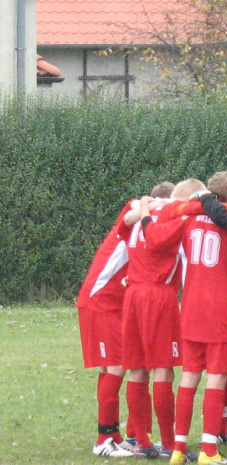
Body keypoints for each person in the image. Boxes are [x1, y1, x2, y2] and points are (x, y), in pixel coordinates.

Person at [141, 172, 227, 465]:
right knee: (216, 379)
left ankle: (179, 448)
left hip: (191, 308)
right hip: (221, 311)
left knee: (189, 378)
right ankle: (209, 451)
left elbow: (154, 240)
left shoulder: (187, 219)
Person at [77, 181, 173, 458]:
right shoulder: (135, 208)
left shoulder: (151, 228)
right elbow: (134, 210)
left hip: (119, 304)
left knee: (115, 367)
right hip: (101, 301)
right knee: (118, 366)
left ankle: (116, 433)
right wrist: (157, 205)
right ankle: (103, 438)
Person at [119, 179, 203, 459]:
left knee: (137, 367)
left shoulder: (138, 213)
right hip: (158, 295)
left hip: (132, 294)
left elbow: (126, 221)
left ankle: (142, 441)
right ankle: (168, 443)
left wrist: (144, 203)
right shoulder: (174, 219)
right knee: (163, 368)